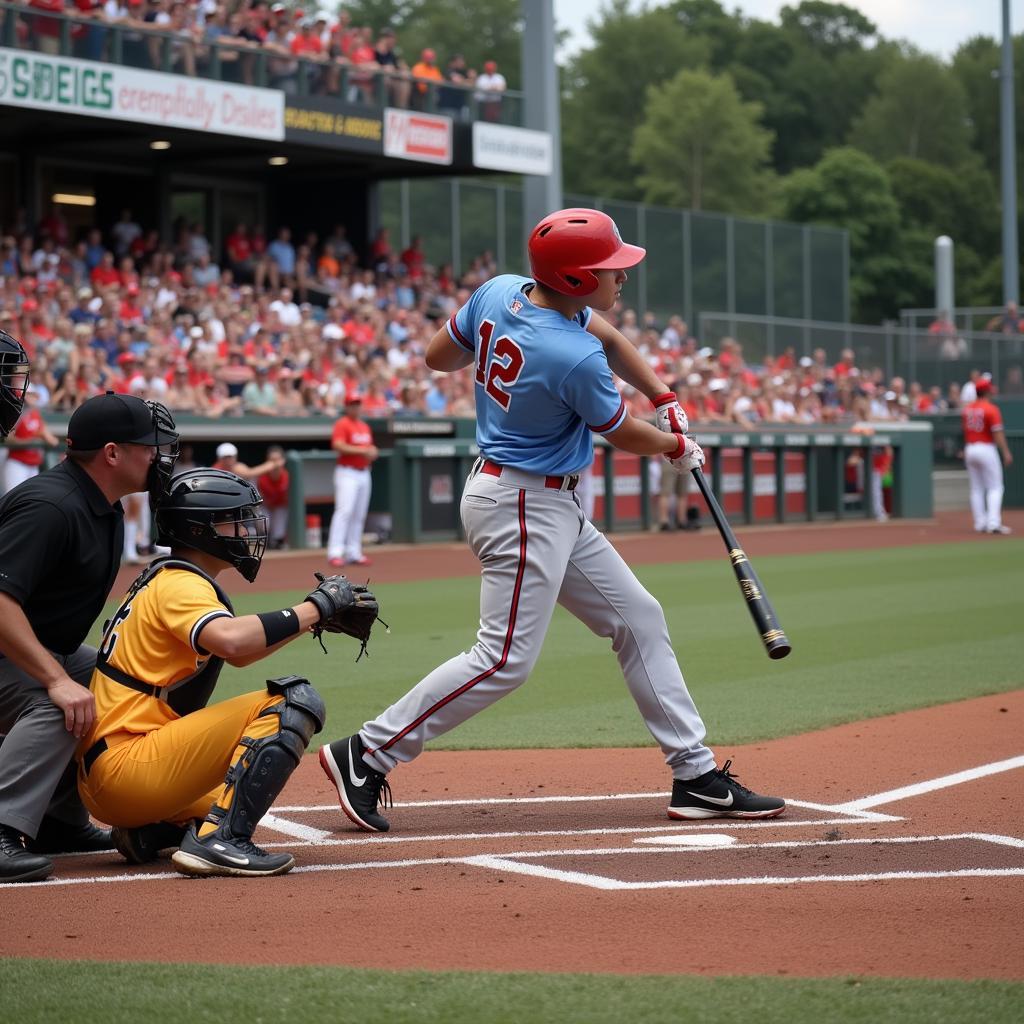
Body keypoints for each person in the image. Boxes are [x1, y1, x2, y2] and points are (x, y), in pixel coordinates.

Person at [319, 208, 784, 833]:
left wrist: (666, 397)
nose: (622, 278)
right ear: (571, 281)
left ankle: (695, 776)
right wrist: (677, 448)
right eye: (609, 270)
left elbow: (438, 357)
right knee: (503, 657)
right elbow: (620, 431)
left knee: (638, 619)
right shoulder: (569, 355)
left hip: (538, 500)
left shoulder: (504, 291)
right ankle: (367, 753)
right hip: (521, 504)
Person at [74, 468, 352, 877]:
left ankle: (151, 831)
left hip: (114, 771)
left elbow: (238, 653)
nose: (247, 530)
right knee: (294, 702)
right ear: (200, 530)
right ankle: (220, 842)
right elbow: (232, 641)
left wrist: (312, 620)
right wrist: (315, 607)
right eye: (235, 520)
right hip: (127, 766)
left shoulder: (168, 578)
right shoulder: (180, 586)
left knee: (224, 799)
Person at [0, 392, 179, 883]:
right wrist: (54, 679)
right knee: (57, 700)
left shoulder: (100, 501)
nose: (157, 457)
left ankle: (59, 821)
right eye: (149, 447)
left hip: (22, 646)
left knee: (116, 680)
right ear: (113, 453)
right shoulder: (51, 506)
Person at [326, 392, 377, 567]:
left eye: (357, 404)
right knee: (344, 511)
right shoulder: (342, 424)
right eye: (352, 404)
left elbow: (368, 447)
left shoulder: (364, 426)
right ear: (347, 406)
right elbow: (338, 445)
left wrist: (371, 452)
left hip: (364, 472)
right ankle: (335, 552)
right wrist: (363, 451)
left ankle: (354, 552)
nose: (355, 407)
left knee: (359, 514)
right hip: (347, 472)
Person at [962, 376, 1013, 534]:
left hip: (970, 447)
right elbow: (997, 433)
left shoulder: (967, 409)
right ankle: (993, 523)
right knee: (995, 487)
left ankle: (980, 523)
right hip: (985, 447)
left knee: (976, 488)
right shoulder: (991, 409)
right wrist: (1005, 452)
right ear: (986, 391)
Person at [3, 385, 59, 494]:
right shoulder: (15, 413)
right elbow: (7, 438)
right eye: (30, 395)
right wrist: (29, 441)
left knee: (29, 501)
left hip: (33, 464)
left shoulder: (35, 413)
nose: (33, 398)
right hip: (17, 463)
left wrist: (43, 435)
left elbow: (51, 439)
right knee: (12, 498)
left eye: (34, 395)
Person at [256, 444, 290, 549]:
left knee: (281, 512)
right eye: (272, 460)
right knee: (265, 520)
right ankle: (263, 540)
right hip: (266, 505)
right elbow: (257, 501)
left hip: (281, 506)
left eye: (277, 460)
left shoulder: (287, 475)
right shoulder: (261, 477)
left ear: (283, 460)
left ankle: (278, 541)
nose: (275, 463)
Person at [212, 441, 285, 480]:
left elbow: (249, 474)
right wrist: (272, 464)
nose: (228, 460)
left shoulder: (238, 467)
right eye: (225, 457)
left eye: (230, 456)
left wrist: (271, 464)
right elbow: (250, 474)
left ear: (235, 457)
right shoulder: (215, 471)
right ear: (219, 458)